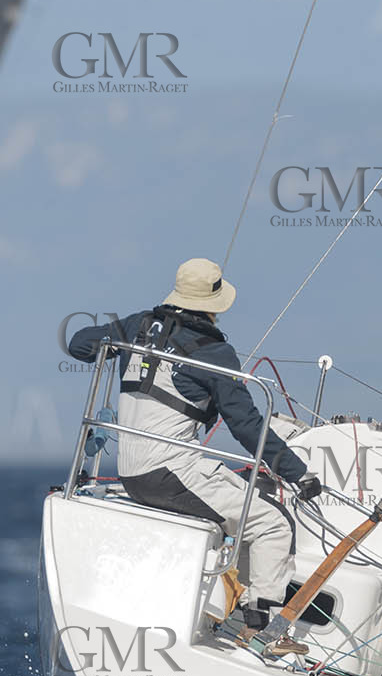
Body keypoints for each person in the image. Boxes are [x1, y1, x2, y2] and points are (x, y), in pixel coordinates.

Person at [67, 258, 320, 633]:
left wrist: (120, 345)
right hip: (171, 474)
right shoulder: (214, 353)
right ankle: (261, 630)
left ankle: (242, 612)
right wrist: (299, 475)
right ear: (215, 305)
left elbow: (78, 344)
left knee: (252, 515)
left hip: (132, 472)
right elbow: (247, 427)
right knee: (273, 525)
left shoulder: (137, 325)